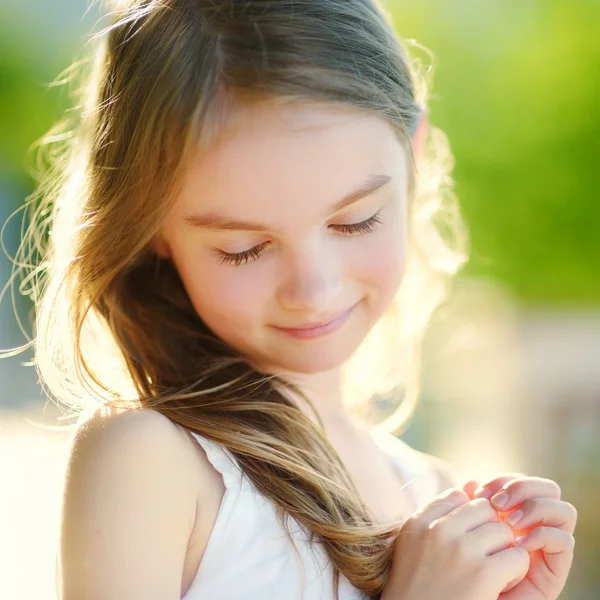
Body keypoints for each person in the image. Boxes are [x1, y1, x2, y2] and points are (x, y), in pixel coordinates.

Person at [16, 1, 576, 598]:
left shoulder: (431, 488)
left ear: (413, 154)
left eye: (355, 222)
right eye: (244, 248)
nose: (314, 291)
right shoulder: (155, 462)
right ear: (152, 228)